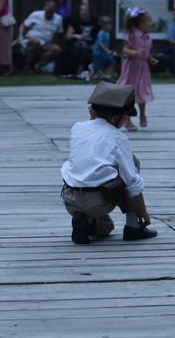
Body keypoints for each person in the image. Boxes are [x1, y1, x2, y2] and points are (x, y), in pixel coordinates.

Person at [61, 81, 157, 244]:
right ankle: (133, 226)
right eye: (126, 116)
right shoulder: (118, 138)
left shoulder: (78, 128)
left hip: (70, 198)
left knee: (106, 227)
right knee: (131, 164)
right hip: (99, 200)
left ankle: (86, 220)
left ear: (92, 111)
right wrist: (143, 213)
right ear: (115, 117)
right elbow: (132, 182)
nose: (127, 119)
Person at [117, 7, 158, 131]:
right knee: (130, 94)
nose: (151, 23)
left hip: (143, 68)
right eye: (149, 20)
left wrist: (150, 58)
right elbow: (124, 49)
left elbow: (145, 52)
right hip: (132, 68)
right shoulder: (133, 34)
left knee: (142, 92)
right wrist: (134, 52)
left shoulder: (147, 36)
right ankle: (127, 120)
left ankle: (142, 114)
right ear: (141, 23)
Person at [18, 1, 64, 73]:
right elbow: (23, 25)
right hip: (31, 39)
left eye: (51, 12)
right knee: (36, 42)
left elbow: (58, 34)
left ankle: (39, 63)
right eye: (47, 11)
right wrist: (20, 36)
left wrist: (54, 43)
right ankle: (27, 65)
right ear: (44, 9)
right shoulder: (36, 14)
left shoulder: (59, 19)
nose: (48, 14)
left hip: (45, 43)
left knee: (57, 49)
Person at [64, 1, 96, 75]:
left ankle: (87, 70)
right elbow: (67, 36)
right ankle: (79, 69)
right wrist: (75, 35)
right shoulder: (75, 22)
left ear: (89, 12)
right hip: (77, 46)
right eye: (82, 10)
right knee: (81, 45)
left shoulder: (95, 22)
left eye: (85, 10)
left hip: (92, 45)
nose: (83, 12)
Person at [89, 16, 115, 80]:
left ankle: (108, 76)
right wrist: (107, 50)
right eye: (109, 25)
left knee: (111, 62)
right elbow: (100, 44)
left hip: (104, 54)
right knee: (96, 68)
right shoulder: (101, 33)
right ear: (103, 26)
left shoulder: (107, 33)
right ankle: (89, 77)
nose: (111, 26)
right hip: (99, 54)